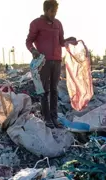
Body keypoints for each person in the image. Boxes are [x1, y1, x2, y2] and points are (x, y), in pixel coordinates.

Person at [26, 0, 76, 128]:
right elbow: (28, 41)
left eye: (56, 11)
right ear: (46, 10)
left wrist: (69, 40)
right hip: (43, 62)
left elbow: (61, 42)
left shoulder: (58, 24)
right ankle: (46, 118)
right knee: (44, 90)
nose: (54, 14)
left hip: (57, 61)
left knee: (54, 90)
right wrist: (33, 50)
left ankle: (54, 118)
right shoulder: (36, 23)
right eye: (52, 11)